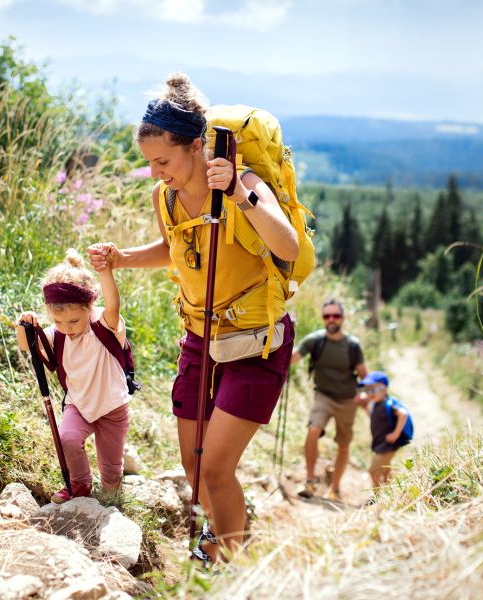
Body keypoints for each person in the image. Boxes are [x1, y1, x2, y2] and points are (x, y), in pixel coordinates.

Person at [87, 73, 298, 564]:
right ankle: (223, 540)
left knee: (217, 468)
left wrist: (242, 198)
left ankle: (229, 563)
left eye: (163, 160)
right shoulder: (166, 196)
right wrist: (121, 258)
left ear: (197, 146)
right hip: (200, 338)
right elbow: (174, 248)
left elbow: (286, 245)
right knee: (193, 464)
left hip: (255, 343)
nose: (157, 172)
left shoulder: (243, 183)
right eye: (150, 163)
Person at [16, 247, 130, 503]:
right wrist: (23, 325)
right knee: (68, 438)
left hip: (112, 407)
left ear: (90, 307)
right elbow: (27, 346)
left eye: (74, 321)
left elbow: (113, 304)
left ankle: (112, 495)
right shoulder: (57, 336)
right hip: (78, 403)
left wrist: (105, 271)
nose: (67, 329)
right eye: (58, 322)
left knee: (111, 467)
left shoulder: (103, 324)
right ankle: (80, 485)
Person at [290, 299, 368, 501]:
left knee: (343, 445)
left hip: (347, 400)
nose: (331, 319)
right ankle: (310, 481)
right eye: (327, 316)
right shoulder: (315, 341)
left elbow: (364, 375)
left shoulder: (352, 345)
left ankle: (335, 487)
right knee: (313, 430)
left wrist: (368, 397)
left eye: (336, 315)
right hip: (323, 396)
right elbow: (293, 357)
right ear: (323, 318)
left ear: (343, 318)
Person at [356, 370, 413, 489]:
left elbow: (403, 414)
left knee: (373, 471)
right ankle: (391, 491)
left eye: (373, 390)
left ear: (384, 389)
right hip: (381, 444)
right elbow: (375, 418)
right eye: (367, 390)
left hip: (388, 445)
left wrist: (395, 434)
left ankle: (378, 496)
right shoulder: (376, 404)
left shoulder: (389, 403)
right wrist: (364, 408)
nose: (370, 393)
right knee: (386, 469)